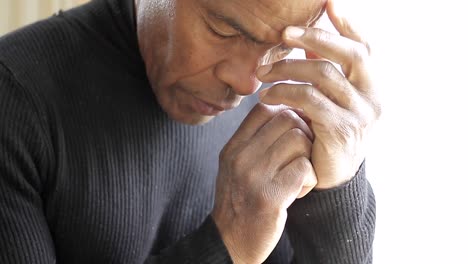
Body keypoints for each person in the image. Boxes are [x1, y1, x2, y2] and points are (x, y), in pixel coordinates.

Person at [0, 0, 380, 262]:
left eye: (280, 48)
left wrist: (338, 195)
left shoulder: (284, 98)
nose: (249, 83)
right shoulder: (14, 100)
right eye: (223, 30)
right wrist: (227, 244)